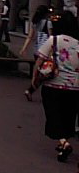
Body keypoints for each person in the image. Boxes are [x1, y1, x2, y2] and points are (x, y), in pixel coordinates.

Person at [34, 10, 79, 163]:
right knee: (68, 116)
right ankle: (63, 142)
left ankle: (63, 143)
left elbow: (39, 60)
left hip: (53, 84)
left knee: (53, 114)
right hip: (74, 87)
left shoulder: (53, 40)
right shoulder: (78, 44)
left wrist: (34, 79)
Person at [21, 5, 52, 101]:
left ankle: (31, 90)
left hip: (37, 50)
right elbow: (51, 37)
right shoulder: (48, 23)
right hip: (46, 51)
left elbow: (30, 36)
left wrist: (24, 48)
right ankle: (31, 90)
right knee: (46, 73)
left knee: (41, 72)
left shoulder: (34, 22)